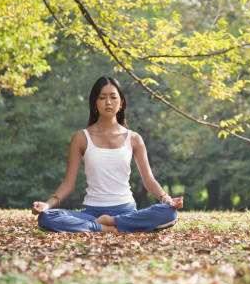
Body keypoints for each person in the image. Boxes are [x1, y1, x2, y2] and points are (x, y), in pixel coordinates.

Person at [31, 76, 183, 233]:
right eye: (102, 97)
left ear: (121, 102)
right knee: (46, 218)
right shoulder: (81, 138)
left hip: (127, 212)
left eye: (113, 97)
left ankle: (114, 222)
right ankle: (105, 228)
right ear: (95, 103)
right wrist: (47, 205)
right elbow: (68, 184)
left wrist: (167, 200)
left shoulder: (134, 138)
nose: (108, 102)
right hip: (91, 214)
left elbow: (149, 180)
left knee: (169, 212)